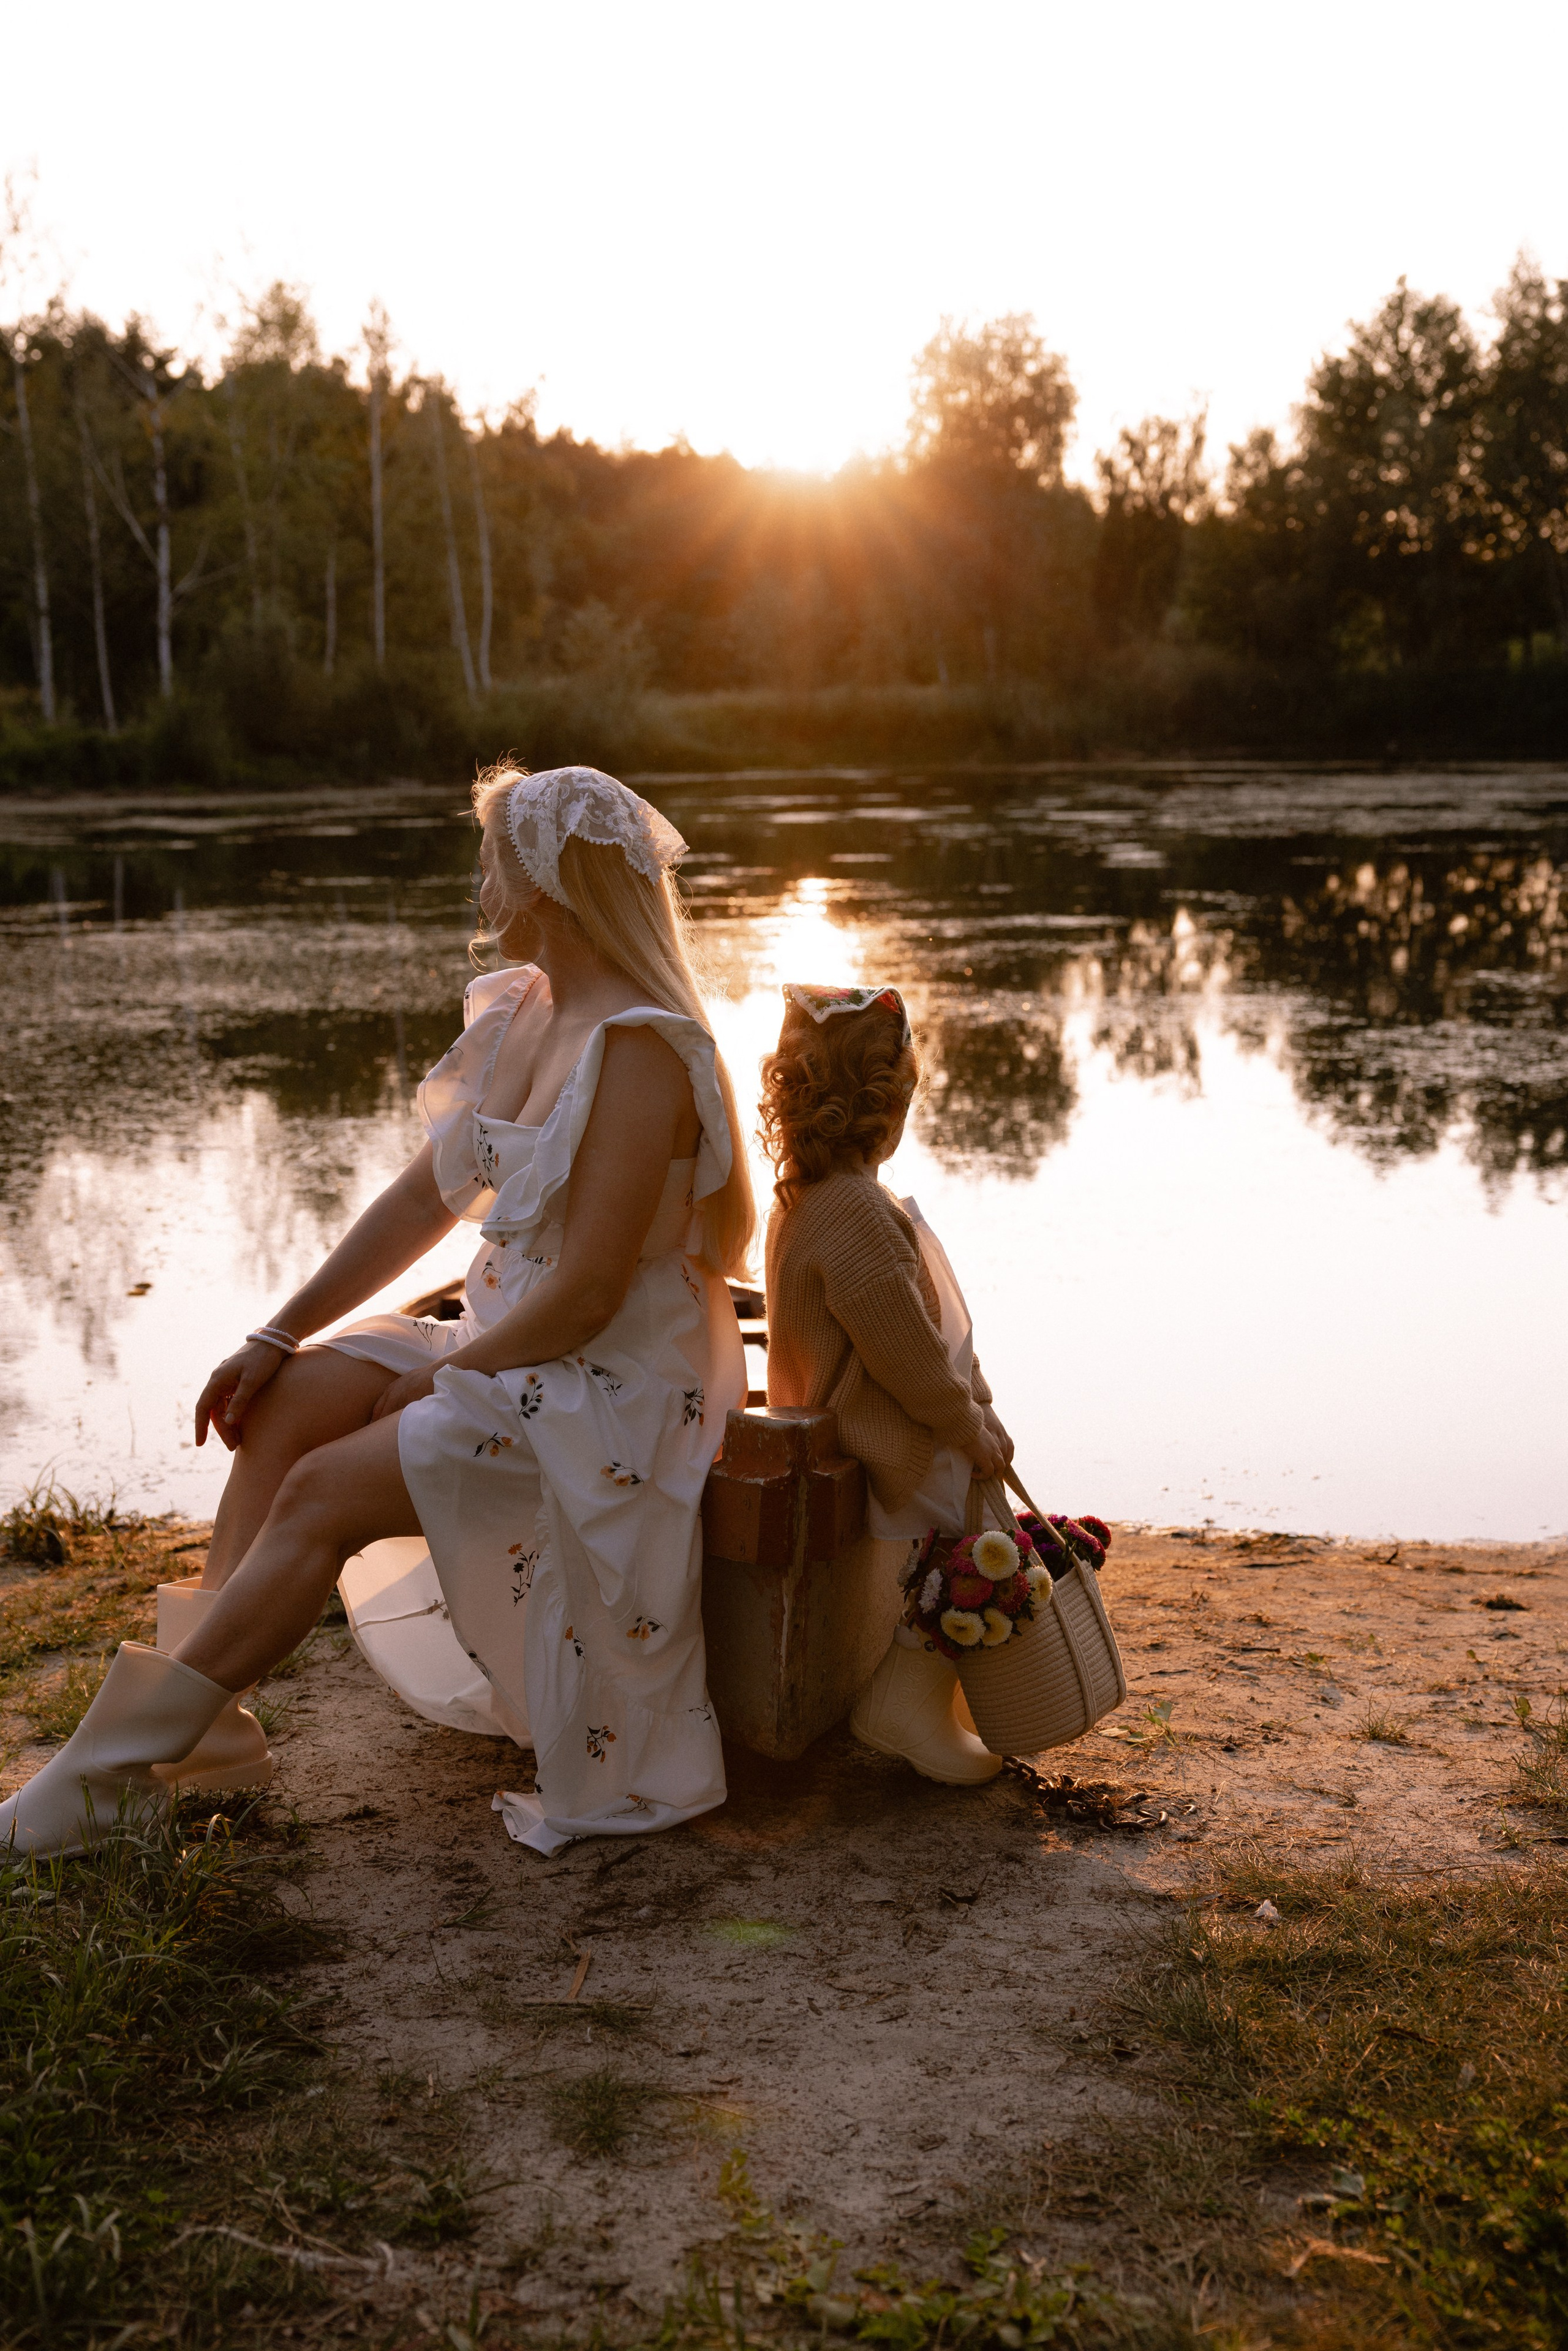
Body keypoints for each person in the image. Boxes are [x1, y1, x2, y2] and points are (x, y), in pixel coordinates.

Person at [1, 766, 755, 1859]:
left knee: (320, 1491)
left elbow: (593, 1291)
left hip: (610, 1379)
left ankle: (108, 1769)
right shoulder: (531, 1011)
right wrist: (275, 1333)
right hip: (512, 1342)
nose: (479, 881)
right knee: (289, 1404)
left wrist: (449, 1374)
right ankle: (201, 1727)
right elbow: (422, 1199)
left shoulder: (638, 1045)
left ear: (548, 878)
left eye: (493, 858)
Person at [758, 984, 1013, 1785]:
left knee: (965, 1503)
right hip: (876, 1446)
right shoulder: (856, 1213)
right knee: (973, 1529)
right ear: (884, 1103)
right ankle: (905, 1701)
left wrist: (978, 1400)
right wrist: (973, 1429)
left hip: (835, 1432)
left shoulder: (801, 1202)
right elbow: (910, 1361)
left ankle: (930, 1692)